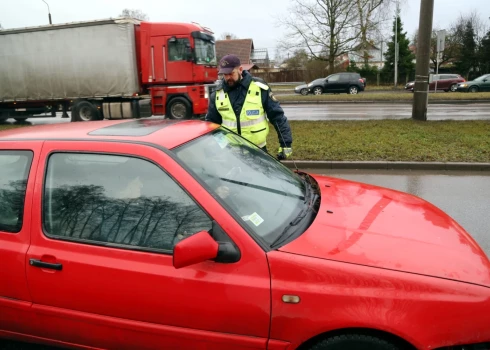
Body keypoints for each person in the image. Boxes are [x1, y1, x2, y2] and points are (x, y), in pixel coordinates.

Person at [205, 54, 293, 160]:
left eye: (231, 73)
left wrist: (285, 144)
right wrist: (222, 146)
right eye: (225, 75)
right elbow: (212, 125)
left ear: (240, 69)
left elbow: (277, 116)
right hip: (231, 155)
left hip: (258, 152)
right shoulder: (217, 95)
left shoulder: (260, 88)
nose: (228, 78)